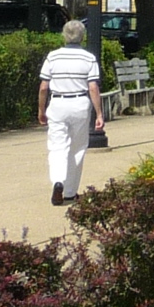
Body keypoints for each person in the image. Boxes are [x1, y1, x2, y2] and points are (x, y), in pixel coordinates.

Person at [37, 20, 106, 206]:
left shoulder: (53, 57)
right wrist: (99, 114)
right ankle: (69, 192)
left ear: (64, 36)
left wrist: (41, 110)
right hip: (80, 104)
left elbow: (44, 87)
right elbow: (93, 87)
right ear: (82, 37)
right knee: (77, 148)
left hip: (58, 103)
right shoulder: (88, 58)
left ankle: (58, 180)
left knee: (57, 146)